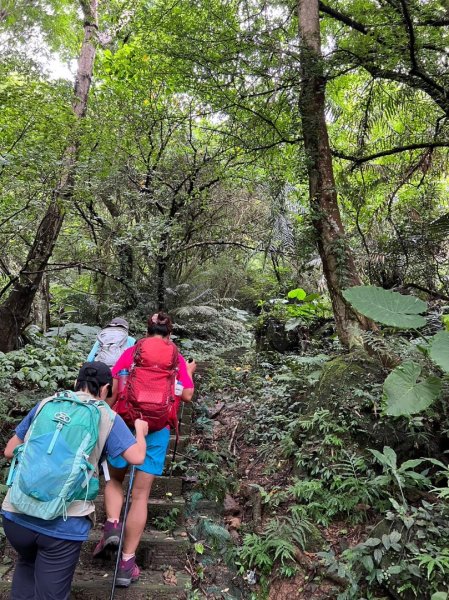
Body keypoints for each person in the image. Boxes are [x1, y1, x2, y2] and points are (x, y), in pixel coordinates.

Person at [2, 362, 149, 600]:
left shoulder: (46, 404)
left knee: (27, 564)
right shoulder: (107, 416)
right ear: (106, 389)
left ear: (75, 383)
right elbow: (137, 457)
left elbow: (10, 451)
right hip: (61, 525)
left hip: (16, 515)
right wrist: (140, 433)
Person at [93, 312, 196, 587]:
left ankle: (113, 523)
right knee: (140, 496)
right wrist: (190, 373)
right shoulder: (176, 356)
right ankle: (127, 563)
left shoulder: (132, 351)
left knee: (114, 479)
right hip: (157, 429)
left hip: (126, 424)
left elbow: (114, 388)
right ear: (169, 334)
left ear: (146, 330)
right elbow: (186, 394)